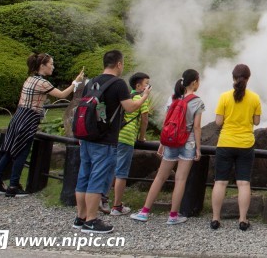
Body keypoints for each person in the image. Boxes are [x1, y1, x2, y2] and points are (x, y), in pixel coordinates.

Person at [0, 53, 85, 198]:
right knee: (21, 151)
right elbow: (63, 95)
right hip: (29, 118)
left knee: (9, 149)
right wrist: (76, 82)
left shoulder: (30, 79)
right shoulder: (42, 83)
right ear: (42, 66)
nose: (53, 66)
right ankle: (13, 186)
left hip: (18, 115)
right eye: (51, 64)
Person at [73, 50, 150, 234]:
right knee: (97, 178)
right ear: (119, 64)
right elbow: (130, 108)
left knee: (84, 176)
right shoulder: (118, 84)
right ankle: (91, 221)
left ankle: (80, 217)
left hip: (86, 136)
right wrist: (144, 97)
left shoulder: (91, 82)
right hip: (104, 139)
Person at [131, 69, 204, 225]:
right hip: (188, 142)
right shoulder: (197, 102)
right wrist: (198, 148)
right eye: (198, 81)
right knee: (181, 179)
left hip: (170, 141)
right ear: (194, 82)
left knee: (160, 176)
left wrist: (163, 142)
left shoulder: (173, 99)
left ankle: (144, 211)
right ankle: (173, 216)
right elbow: (197, 127)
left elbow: (167, 123)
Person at [210, 64, 262, 231]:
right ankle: (242, 219)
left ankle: (215, 219)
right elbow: (256, 122)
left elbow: (218, 121)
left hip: (225, 143)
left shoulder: (224, 97)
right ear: (248, 78)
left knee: (220, 182)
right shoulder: (254, 98)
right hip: (246, 144)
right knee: (243, 184)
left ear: (233, 77)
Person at [102, 71, 150, 217]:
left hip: (115, 135)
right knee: (122, 172)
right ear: (139, 86)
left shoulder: (126, 97)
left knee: (111, 168)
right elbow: (144, 119)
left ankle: (102, 199)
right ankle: (117, 206)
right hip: (127, 137)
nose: (148, 87)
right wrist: (142, 137)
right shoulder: (142, 98)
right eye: (146, 84)